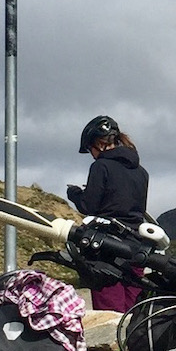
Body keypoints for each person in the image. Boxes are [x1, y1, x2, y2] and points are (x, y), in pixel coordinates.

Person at [67, 115, 151, 313]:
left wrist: (75, 194)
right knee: (132, 312)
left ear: (98, 144)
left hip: (106, 249)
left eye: (90, 149)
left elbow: (89, 206)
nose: (92, 155)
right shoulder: (141, 172)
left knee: (109, 314)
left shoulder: (101, 166)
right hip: (136, 247)